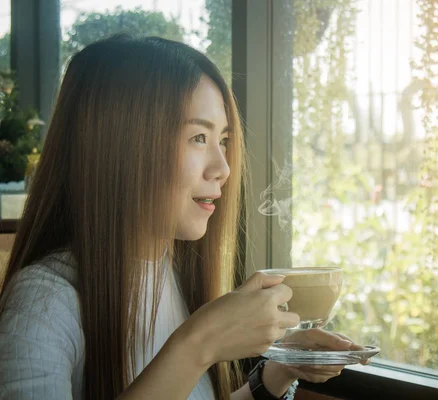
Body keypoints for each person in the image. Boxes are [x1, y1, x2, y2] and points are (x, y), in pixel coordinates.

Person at [0, 35, 362, 400]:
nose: (223, 168)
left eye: (223, 139)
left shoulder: (174, 275)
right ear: (123, 149)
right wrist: (198, 343)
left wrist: (278, 371)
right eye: (199, 137)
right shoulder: (41, 305)